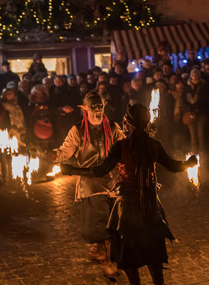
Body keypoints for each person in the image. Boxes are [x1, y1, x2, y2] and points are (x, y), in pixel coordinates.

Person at [61, 103, 198, 285]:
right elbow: (174, 166)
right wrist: (189, 163)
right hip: (150, 204)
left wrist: (72, 170)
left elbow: (99, 171)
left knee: (128, 251)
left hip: (127, 207)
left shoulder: (121, 146)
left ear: (127, 122)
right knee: (153, 248)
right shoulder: (154, 145)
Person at [50, 91, 124, 278]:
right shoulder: (78, 130)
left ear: (104, 106)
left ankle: (102, 252)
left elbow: (125, 145)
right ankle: (103, 258)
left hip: (113, 181)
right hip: (90, 183)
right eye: (94, 107)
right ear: (85, 109)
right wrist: (54, 155)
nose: (98, 111)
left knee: (114, 221)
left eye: (100, 107)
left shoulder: (113, 127)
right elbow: (65, 151)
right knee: (98, 221)